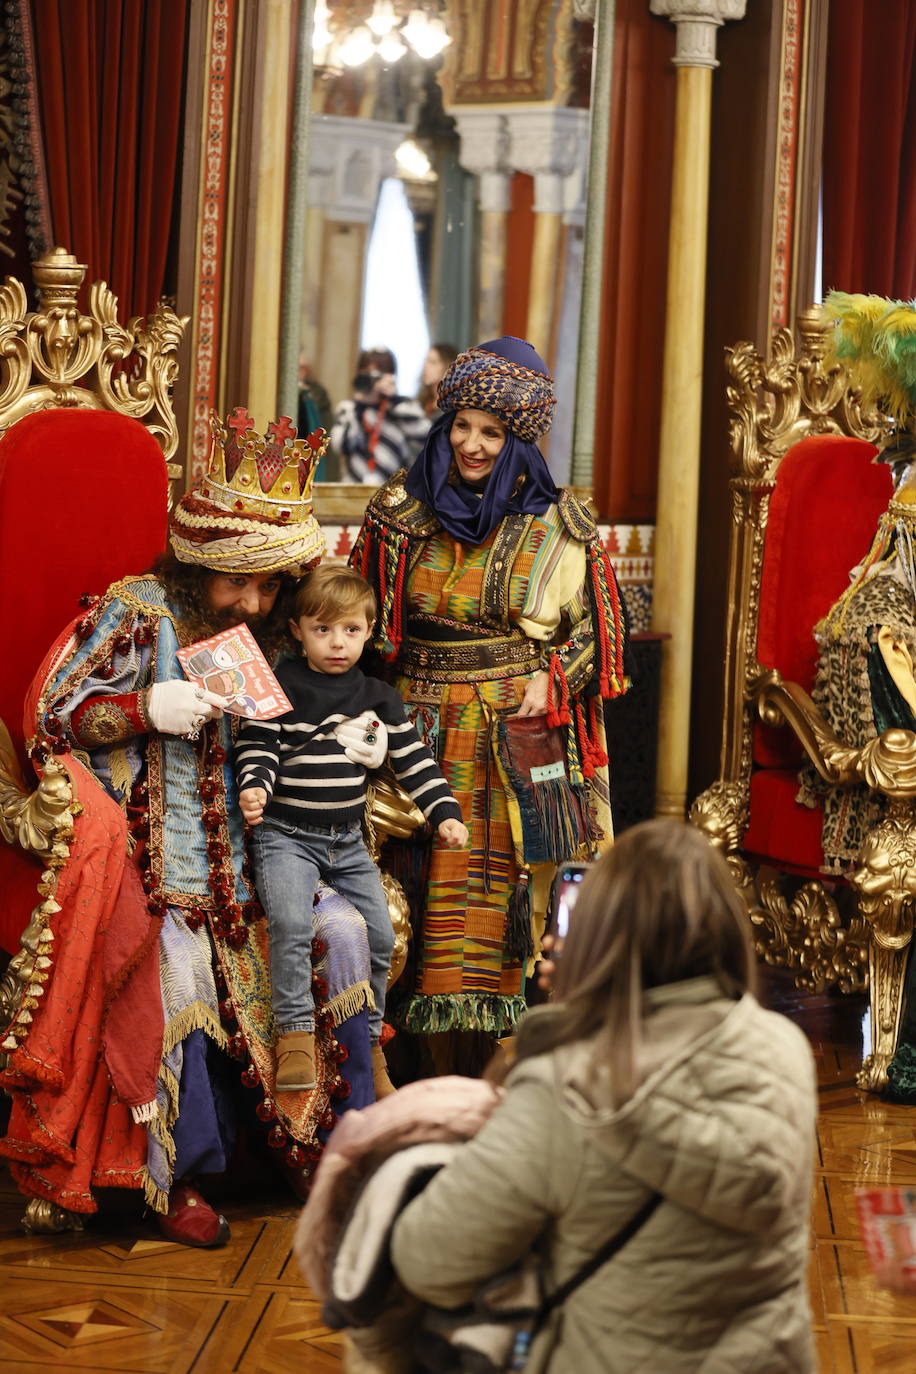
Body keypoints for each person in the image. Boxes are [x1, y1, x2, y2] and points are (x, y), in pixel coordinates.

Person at [0, 408, 383, 1247]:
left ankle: (332, 1149)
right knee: (179, 973)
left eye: (269, 585)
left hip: (270, 857)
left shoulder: (281, 634)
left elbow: (316, 715)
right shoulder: (138, 612)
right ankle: (182, 1175)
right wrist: (145, 706)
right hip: (154, 866)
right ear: (198, 562)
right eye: (236, 583)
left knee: (347, 931)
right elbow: (54, 717)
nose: (253, 601)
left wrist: (354, 738)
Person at [388, 819, 818, 1373]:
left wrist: (563, 1021)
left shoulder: (561, 1083)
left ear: (597, 939)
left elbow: (428, 1260)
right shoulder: (781, 1047)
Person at [350, 336, 629, 1049]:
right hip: (413, 731)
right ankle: (399, 1056)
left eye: (492, 432)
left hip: (511, 740)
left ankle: (504, 1058)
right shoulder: (397, 514)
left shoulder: (561, 526)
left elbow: (600, 634)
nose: (472, 445)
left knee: (500, 891)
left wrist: (552, 674)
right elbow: (359, 624)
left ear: (520, 441)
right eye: (462, 426)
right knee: (411, 889)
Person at [236, 564, 469, 1098]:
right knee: (292, 923)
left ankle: (369, 1043)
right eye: (322, 629)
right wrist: (255, 786)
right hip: (286, 835)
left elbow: (415, 761)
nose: (337, 643)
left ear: (368, 631)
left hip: (346, 840)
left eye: (350, 630)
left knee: (382, 934)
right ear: (297, 630)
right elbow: (259, 743)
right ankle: (294, 1034)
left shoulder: (377, 696)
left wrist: (445, 813)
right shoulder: (281, 685)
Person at [331, 346, 430, 485]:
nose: (372, 379)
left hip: (394, 490)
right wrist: (359, 407)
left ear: (391, 375)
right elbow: (341, 446)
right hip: (354, 489)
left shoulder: (403, 407)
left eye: (378, 373)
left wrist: (394, 400)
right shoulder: (348, 408)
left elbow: (425, 435)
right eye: (367, 372)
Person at [417, 341, 459, 418]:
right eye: (426, 361)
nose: (425, 366)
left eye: (433, 362)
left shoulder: (453, 406)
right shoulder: (422, 401)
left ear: (448, 367)